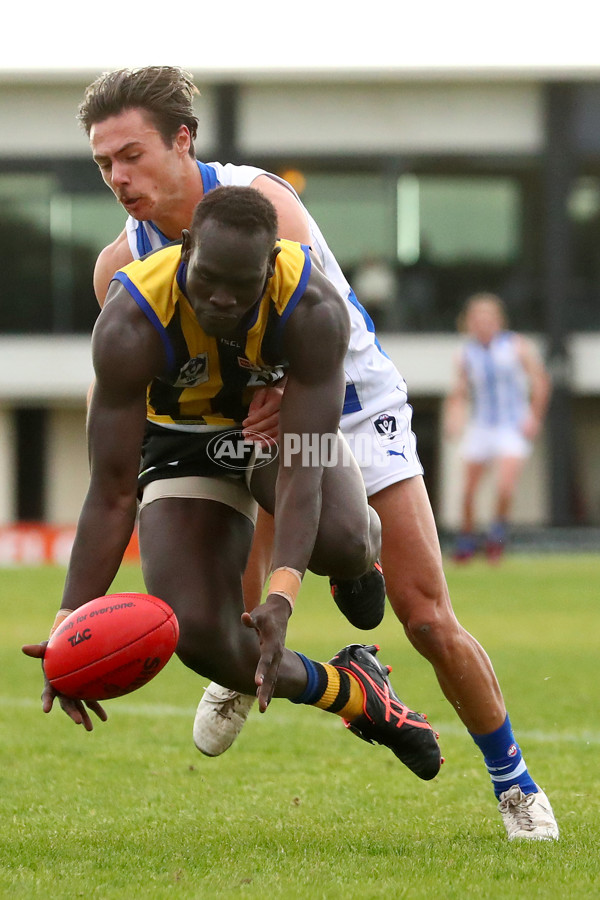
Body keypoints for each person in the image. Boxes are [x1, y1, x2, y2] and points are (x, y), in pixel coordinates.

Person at [76, 66, 558, 840]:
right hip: (242, 420)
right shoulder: (121, 269)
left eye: (130, 154)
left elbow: (300, 378)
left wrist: (282, 583)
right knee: (228, 559)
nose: (117, 177)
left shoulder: (267, 205)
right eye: (103, 164)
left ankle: (515, 784)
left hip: (345, 400)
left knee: (425, 615)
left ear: (182, 140)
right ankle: (271, 642)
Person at [22, 186, 442, 783]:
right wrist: (68, 620)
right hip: (179, 444)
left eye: (240, 286)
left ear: (271, 266)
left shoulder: (313, 305)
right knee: (197, 634)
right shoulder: (130, 317)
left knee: (347, 538)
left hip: (277, 434)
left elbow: (303, 463)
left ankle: (354, 566)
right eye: (208, 278)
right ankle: (356, 693)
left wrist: (282, 595)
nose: (221, 299)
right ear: (187, 247)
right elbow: (113, 491)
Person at [444, 293, 551, 562]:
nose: (483, 324)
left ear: (498, 321)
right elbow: (459, 391)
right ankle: (466, 539)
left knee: (504, 486)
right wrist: (454, 417)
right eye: (477, 319)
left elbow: (539, 381)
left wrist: (534, 416)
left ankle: (497, 535)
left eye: (488, 318)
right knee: (468, 491)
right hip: (481, 425)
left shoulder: (516, 346)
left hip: (511, 425)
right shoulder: (465, 354)